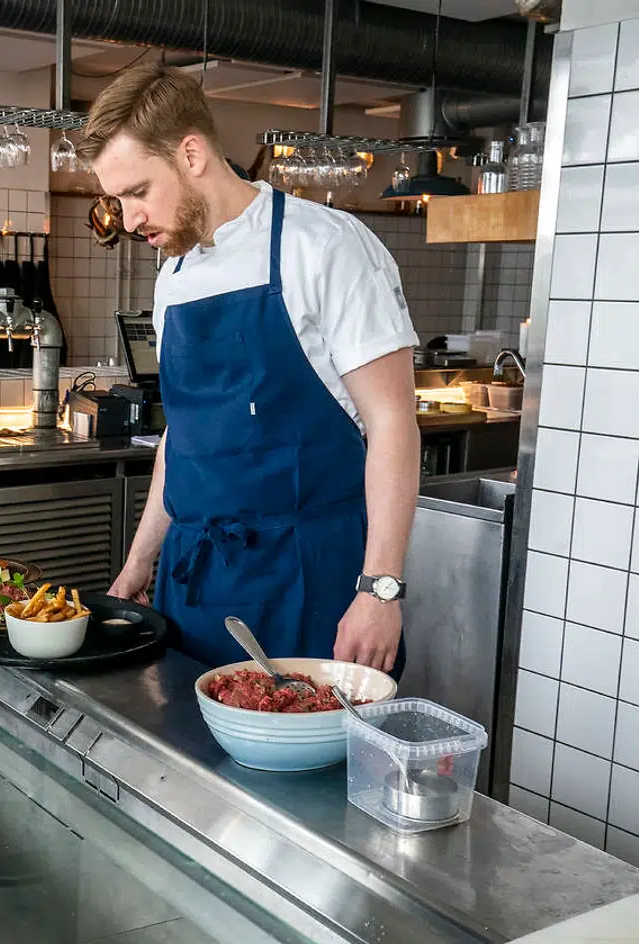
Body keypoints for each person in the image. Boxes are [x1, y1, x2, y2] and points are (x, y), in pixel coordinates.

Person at [85, 64, 420, 677]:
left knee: (308, 763)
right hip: (196, 587)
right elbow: (182, 438)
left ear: (191, 154)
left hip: (310, 578)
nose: (128, 220)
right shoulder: (174, 279)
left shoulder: (324, 246)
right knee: (183, 761)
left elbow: (394, 423)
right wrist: (138, 566)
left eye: (136, 192)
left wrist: (380, 590)